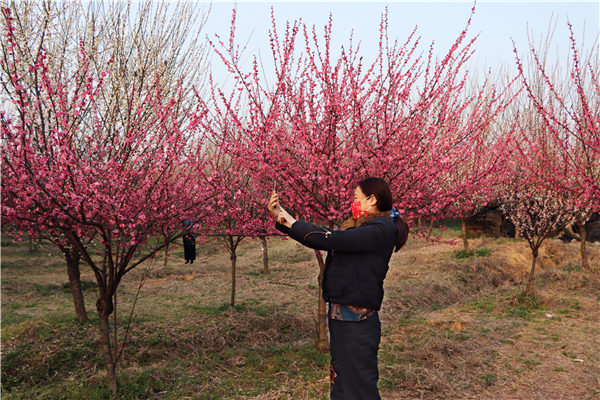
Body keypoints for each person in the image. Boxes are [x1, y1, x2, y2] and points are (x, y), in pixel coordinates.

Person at [267, 177, 409, 400]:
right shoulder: (365, 228)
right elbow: (334, 237)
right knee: (343, 382)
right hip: (345, 318)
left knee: (359, 387)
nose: (353, 202)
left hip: (357, 323)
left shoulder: (380, 229)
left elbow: (334, 239)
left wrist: (290, 222)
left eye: (356, 198)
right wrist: (284, 217)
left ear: (372, 200)